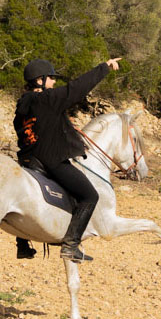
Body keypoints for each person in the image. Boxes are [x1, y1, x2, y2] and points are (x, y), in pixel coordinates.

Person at [14, 57, 121, 261]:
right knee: (90, 196)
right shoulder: (48, 99)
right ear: (40, 80)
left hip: (28, 161)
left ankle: (22, 243)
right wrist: (104, 68)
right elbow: (77, 88)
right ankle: (71, 245)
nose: (54, 82)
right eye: (51, 78)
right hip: (50, 159)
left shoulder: (22, 105)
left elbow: (31, 132)